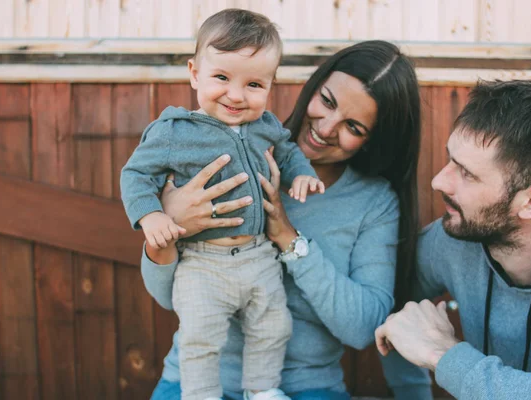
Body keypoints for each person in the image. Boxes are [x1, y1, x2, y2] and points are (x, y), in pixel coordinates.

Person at [141, 39, 431, 400]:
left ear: (374, 141)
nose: (326, 128)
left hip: (306, 389)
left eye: (353, 127)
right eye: (326, 101)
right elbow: (166, 297)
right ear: (313, 85)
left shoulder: (374, 203)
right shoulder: (224, 149)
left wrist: (289, 238)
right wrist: (170, 226)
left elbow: (362, 327)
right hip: (195, 383)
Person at [120, 9, 324, 400]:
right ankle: (200, 394)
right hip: (203, 263)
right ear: (195, 73)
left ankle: (262, 390)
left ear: (270, 85)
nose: (235, 94)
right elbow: (135, 175)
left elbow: (287, 149)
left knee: (274, 325)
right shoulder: (174, 131)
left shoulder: (265, 126)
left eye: (253, 84)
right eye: (221, 78)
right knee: (200, 338)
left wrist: (301, 173)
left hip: (258, 256)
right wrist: (150, 215)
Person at [376, 80, 531, 399]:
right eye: (450, 159)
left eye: (467, 174)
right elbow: (391, 301)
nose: (439, 181)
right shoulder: (454, 239)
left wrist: (445, 357)